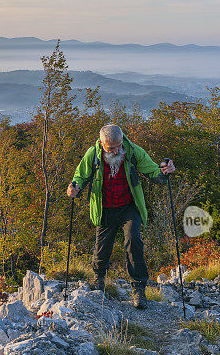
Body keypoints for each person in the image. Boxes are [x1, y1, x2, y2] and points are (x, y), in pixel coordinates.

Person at [67, 123, 175, 308]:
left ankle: (138, 289)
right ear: (102, 143)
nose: (117, 151)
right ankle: (98, 281)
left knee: (133, 240)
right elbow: (81, 176)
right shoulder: (92, 155)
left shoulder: (133, 151)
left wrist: (164, 172)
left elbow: (152, 170)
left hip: (129, 206)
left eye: (119, 146)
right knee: (102, 247)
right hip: (105, 207)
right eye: (111, 148)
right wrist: (74, 187)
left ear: (122, 139)